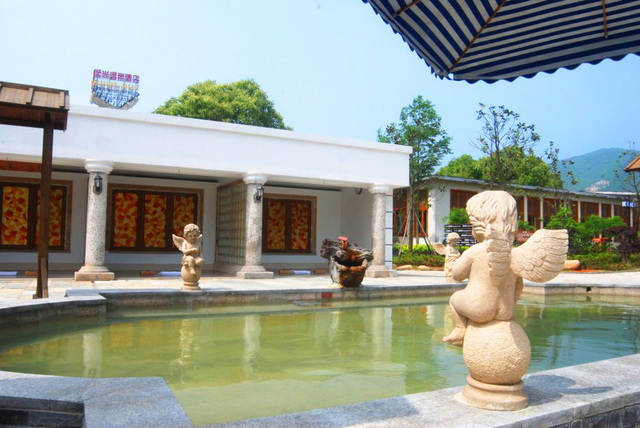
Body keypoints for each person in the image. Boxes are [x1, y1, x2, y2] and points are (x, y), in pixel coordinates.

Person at [443, 191, 520, 347]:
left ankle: (459, 329)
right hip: (506, 311)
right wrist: (511, 304)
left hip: (479, 308)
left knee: (454, 299)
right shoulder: (515, 253)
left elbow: (457, 274)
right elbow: (519, 285)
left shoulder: (476, 250)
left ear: (479, 225)